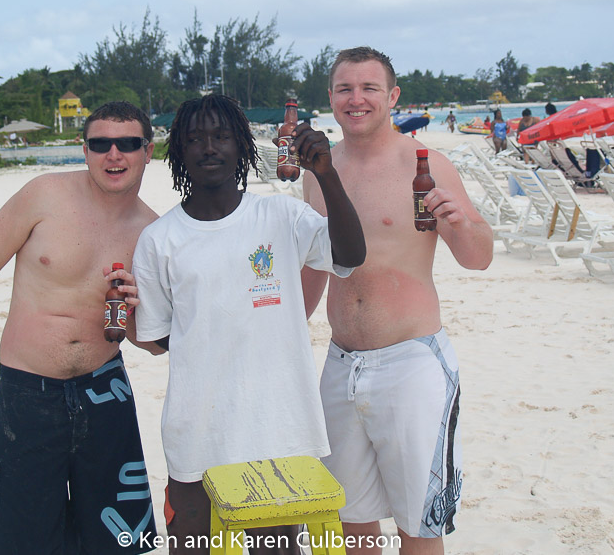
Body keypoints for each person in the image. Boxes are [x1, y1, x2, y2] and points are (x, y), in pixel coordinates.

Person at [133, 94, 366, 555]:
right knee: (193, 547)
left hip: (276, 428)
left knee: (273, 548)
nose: (208, 147)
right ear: (178, 152)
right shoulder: (159, 240)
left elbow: (351, 254)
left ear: (242, 146)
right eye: (194, 139)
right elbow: (159, 336)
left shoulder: (281, 216)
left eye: (221, 136)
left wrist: (327, 174)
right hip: (197, 432)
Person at [0, 102, 160, 555]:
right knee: (25, 538)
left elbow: (149, 343)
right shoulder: (44, 195)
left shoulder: (152, 232)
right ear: (84, 149)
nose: (114, 155)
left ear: (148, 151)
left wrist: (134, 310)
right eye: (100, 144)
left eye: (128, 144)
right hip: (28, 393)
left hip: (105, 390)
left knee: (118, 540)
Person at [302, 47, 493, 555]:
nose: (356, 99)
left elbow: (477, 258)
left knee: (419, 526)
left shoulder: (424, 164)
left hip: (411, 364)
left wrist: (462, 222)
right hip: (340, 364)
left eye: (369, 88)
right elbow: (315, 269)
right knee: (349, 520)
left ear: (392, 97)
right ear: (330, 97)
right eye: (345, 89)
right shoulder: (318, 172)